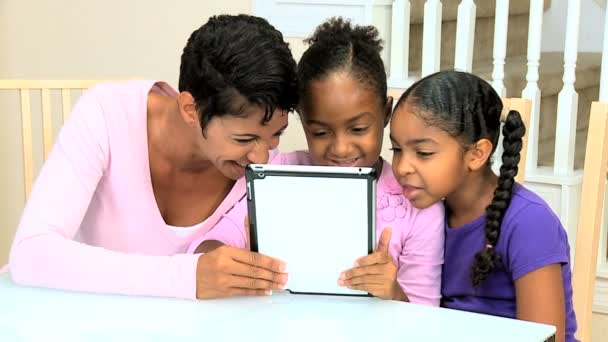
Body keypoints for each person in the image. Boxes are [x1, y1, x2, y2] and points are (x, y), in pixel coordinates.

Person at [9, 14, 298, 300]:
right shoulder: (107, 115)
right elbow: (31, 253)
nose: (261, 156)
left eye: (276, 135)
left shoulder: (270, 171)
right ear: (190, 109)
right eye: (244, 139)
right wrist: (185, 277)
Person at [190, 18, 445, 305]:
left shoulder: (416, 204)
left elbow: (426, 316)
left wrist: (392, 291)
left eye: (358, 129)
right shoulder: (276, 174)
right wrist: (227, 259)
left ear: (385, 113)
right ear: (302, 119)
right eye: (321, 132)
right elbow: (205, 249)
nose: (341, 148)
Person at [389, 70, 577, 342]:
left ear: (477, 154)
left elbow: (546, 338)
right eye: (396, 150)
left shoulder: (529, 223)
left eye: (423, 153)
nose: (402, 167)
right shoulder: (423, 215)